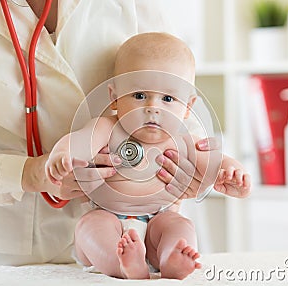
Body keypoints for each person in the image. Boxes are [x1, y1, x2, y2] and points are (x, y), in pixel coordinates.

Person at [0, 1, 221, 267]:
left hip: (145, 220)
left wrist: (194, 168)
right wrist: (30, 173)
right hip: (15, 236)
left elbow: (174, 87)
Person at [46, 32, 251, 280]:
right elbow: (77, 142)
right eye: (140, 95)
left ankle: (171, 257)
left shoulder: (183, 139)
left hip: (158, 218)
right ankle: (120, 264)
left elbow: (213, 162)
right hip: (107, 215)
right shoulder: (106, 127)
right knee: (90, 227)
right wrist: (62, 157)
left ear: (187, 107)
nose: (153, 107)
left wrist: (232, 171)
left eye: (167, 98)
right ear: (114, 97)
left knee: (179, 225)